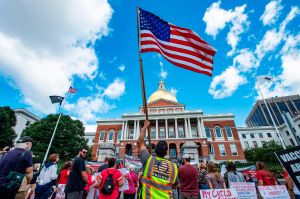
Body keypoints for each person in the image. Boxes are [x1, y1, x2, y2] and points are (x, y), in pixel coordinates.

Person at [137, 120, 178, 199]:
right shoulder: (174, 167)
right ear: (166, 152)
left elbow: (140, 143)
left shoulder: (148, 159)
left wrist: (145, 127)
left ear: (155, 150)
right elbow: (175, 185)